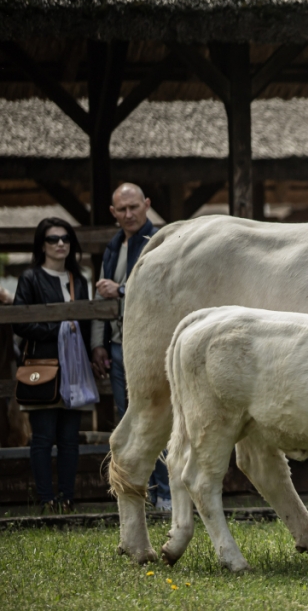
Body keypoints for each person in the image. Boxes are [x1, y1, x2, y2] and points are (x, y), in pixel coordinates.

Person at [89, 183, 170, 509]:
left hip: (150, 346)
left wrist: (121, 291)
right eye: (122, 209)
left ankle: (165, 494)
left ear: (147, 204)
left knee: (157, 418)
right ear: (113, 213)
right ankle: (142, 492)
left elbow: (164, 290)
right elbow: (99, 298)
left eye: (134, 207)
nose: (129, 214)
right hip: (119, 346)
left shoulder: (160, 243)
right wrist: (98, 343)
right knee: (129, 420)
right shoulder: (112, 247)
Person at [14, 218, 93, 513]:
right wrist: (57, 329)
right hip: (43, 369)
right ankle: (46, 499)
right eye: (52, 239)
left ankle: (67, 498)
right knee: (44, 438)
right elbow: (21, 324)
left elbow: (87, 324)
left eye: (65, 238)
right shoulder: (30, 278)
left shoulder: (79, 279)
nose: (60, 243)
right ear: (42, 244)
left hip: (75, 371)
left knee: (70, 439)